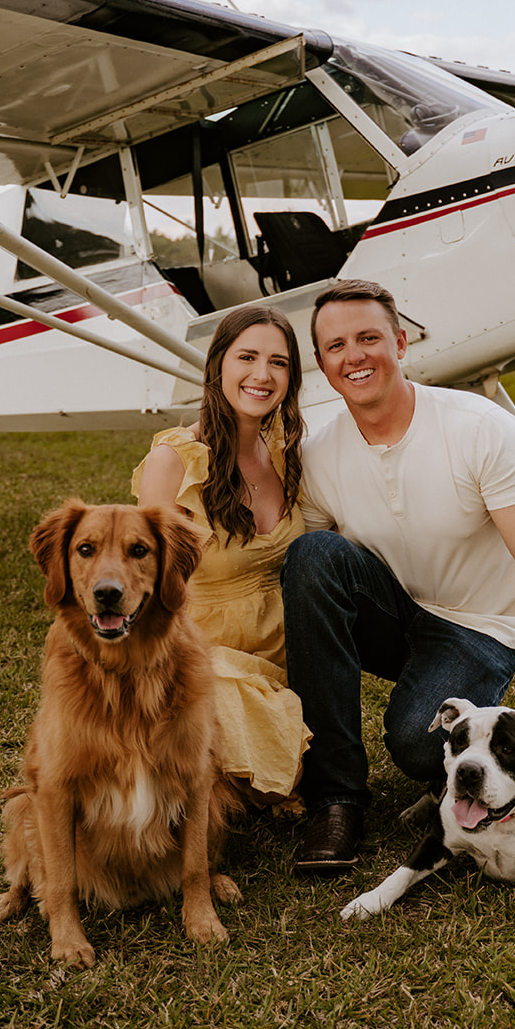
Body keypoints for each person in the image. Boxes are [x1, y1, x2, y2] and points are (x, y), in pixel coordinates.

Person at [281, 277, 515, 871]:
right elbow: (321, 581)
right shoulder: (318, 454)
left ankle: (440, 769)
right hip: (398, 610)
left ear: (400, 342)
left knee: (420, 745)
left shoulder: (478, 427)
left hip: (478, 625)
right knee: (312, 554)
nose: (355, 355)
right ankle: (336, 800)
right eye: (337, 346)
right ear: (321, 363)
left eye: (369, 337)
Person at [132, 304, 310, 808]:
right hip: (206, 651)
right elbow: (145, 579)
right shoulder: (174, 460)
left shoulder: (287, 451)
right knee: (224, 718)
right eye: (247, 357)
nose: (262, 374)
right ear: (218, 367)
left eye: (278, 362)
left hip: (285, 650)